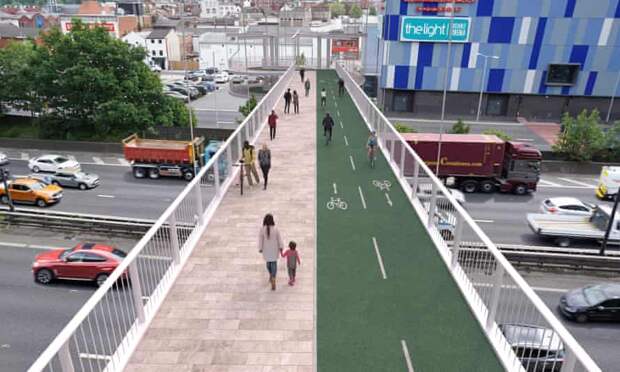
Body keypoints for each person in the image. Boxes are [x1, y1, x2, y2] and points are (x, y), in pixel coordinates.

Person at [258, 214, 284, 290]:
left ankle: (271, 275)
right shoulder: (276, 229)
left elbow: (260, 240)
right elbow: (279, 239)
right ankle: (273, 277)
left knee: (268, 264)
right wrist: (281, 247)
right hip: (274, 249)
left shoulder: (262, 229)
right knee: (274, 263)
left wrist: (260, 248)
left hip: (266, 250)